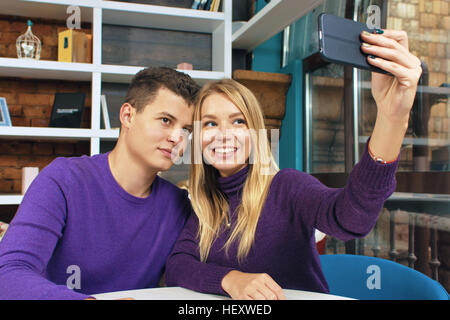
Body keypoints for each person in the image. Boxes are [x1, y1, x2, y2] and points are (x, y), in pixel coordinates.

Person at [165, 29, 422, 300]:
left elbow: (351, 218)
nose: (224, 133)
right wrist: (230, 279)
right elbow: (178, 266)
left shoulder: (286, 186)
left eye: (238, 121)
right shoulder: (206, 203)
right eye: (210, 123)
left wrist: (393, 119)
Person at [0, 67, 200, 299]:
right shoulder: (63, 179)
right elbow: (8, 274)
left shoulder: (177, 205)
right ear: (128, 116)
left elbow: (193, 267)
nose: (178, 139)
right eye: (166, 120)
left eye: (186, 130)